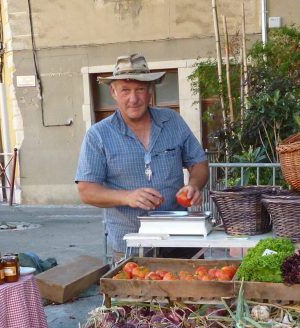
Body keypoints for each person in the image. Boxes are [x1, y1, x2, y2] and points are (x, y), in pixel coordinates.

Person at [75, 53, 208, 262]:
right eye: (125, 90)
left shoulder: (172, 121)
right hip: (130, 243)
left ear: (150, 91)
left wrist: (194, 185)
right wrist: (126, 197)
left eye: (140, 89)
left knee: (190, 293)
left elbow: (198, 163)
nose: (133, 98)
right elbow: (86, 191)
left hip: (180, 239)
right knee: (134, 296)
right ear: (113, 91)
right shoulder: (98, 135)